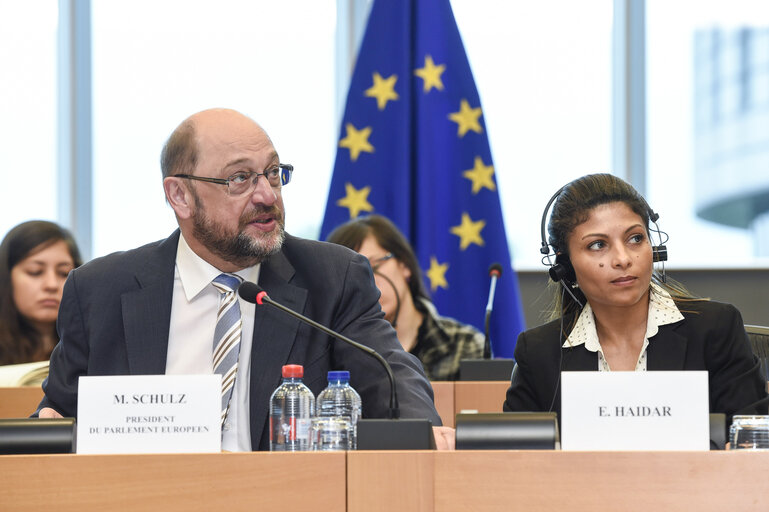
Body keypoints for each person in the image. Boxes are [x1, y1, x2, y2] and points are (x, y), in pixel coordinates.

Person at [37, 108, 453, 450]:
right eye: (240, 178)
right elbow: (59, 416)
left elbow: (393, 378)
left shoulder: (333, 277)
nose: (267, 195)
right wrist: (47, 428)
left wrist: (423, 432)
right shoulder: (101, 291)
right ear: (180, 196)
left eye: (273, 173)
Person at [504, 173, 768, 420]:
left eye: (635, 239)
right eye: (598, 245)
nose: (622, 259)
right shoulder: (539, 352)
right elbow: (510, 457)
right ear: (565, 266)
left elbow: (752, 443)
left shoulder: (715, 329)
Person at [326, 215, 484, 380]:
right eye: (351, 276)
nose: (367, 282)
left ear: (404, 265)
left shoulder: (464, 344)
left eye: (374, 266)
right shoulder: (330, 353)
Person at [0, 220, 82, 365]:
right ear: (6, 277)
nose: (51, 285)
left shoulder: (93, 348)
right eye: (35, 272)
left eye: (64, 273)